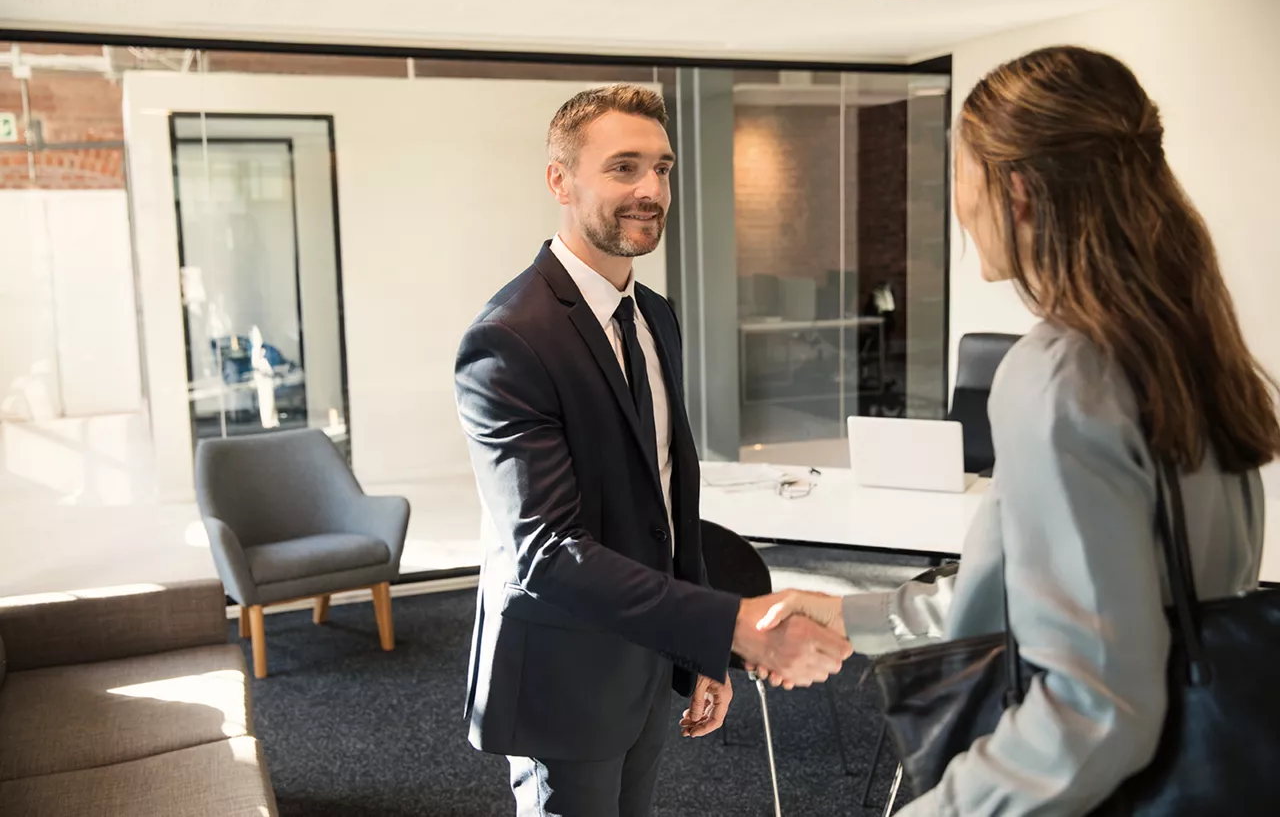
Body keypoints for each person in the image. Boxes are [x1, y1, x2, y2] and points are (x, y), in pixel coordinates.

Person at [756, 45, 1279, 815]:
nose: (958, 206)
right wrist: (854, 612)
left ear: (1020, 190)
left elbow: (1097, 708)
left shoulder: (1061, 376)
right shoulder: (1184, 347)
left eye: (959, 175)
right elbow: (1060, 596)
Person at [454, 84, 853, 817]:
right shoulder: (510, 338)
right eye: (624, 168)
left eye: (662, 169)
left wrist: (697, 651)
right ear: (560, 181)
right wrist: (726, 626)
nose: (651, 190)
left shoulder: (655, 317)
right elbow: (545, 550)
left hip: (646, 654)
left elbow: (668, 498)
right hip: (564, 670)